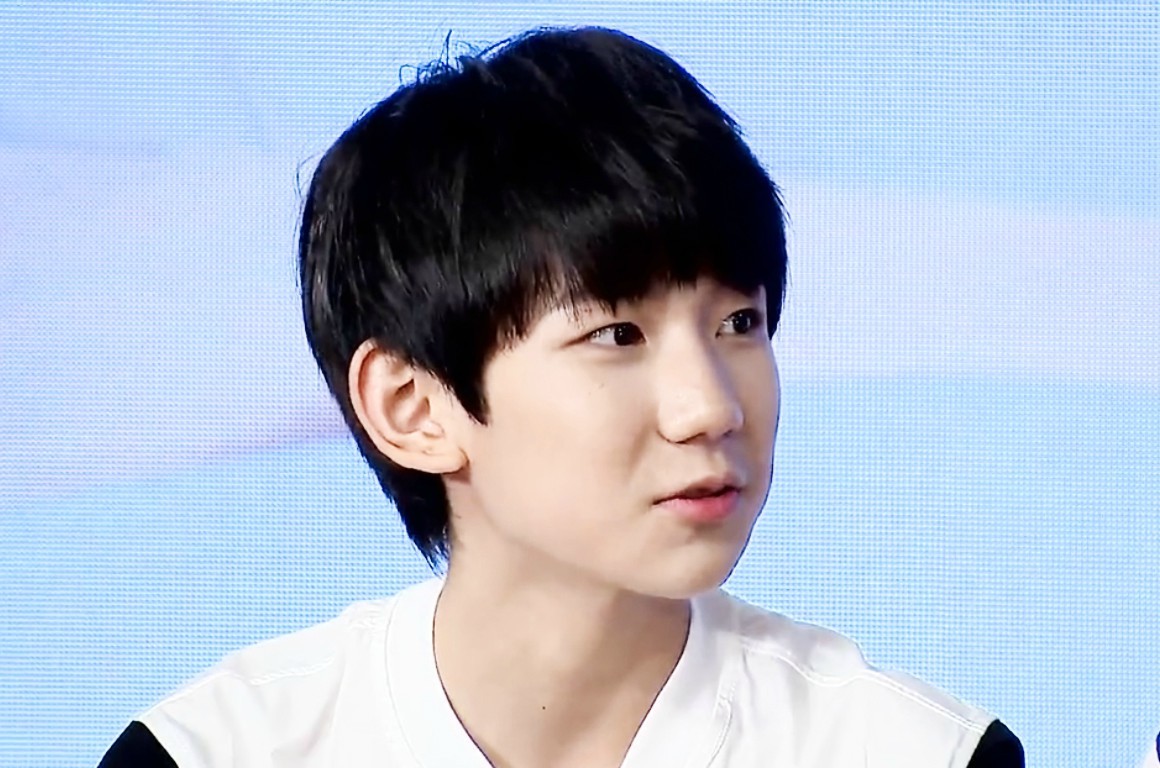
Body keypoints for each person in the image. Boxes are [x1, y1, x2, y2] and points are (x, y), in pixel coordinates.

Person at [100, 25, 1023, 767]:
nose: (711, 409)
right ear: (412, 407)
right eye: (616, 335)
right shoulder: (215, 754)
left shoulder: (911, 751)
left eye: (739, 323)